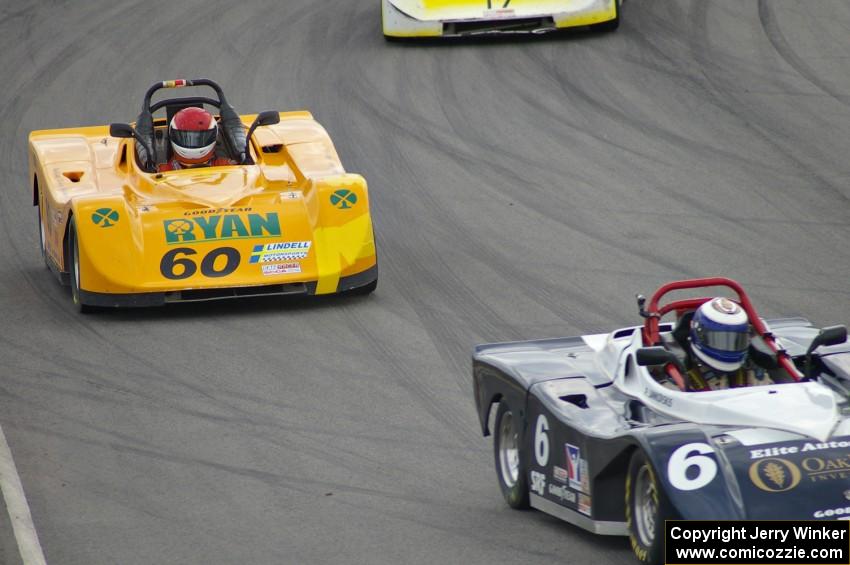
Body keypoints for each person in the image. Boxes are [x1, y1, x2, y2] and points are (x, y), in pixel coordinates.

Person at [684, 297, 768, 390]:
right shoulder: (677, 381)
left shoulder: (755, 376)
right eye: (720, 340)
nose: (729, 348)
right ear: (700, 334)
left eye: (736, 341)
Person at [158, 107, 235, 172]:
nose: (192, 144)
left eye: (199, 139)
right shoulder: (162, 171)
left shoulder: (224, 165)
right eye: (187, 138)